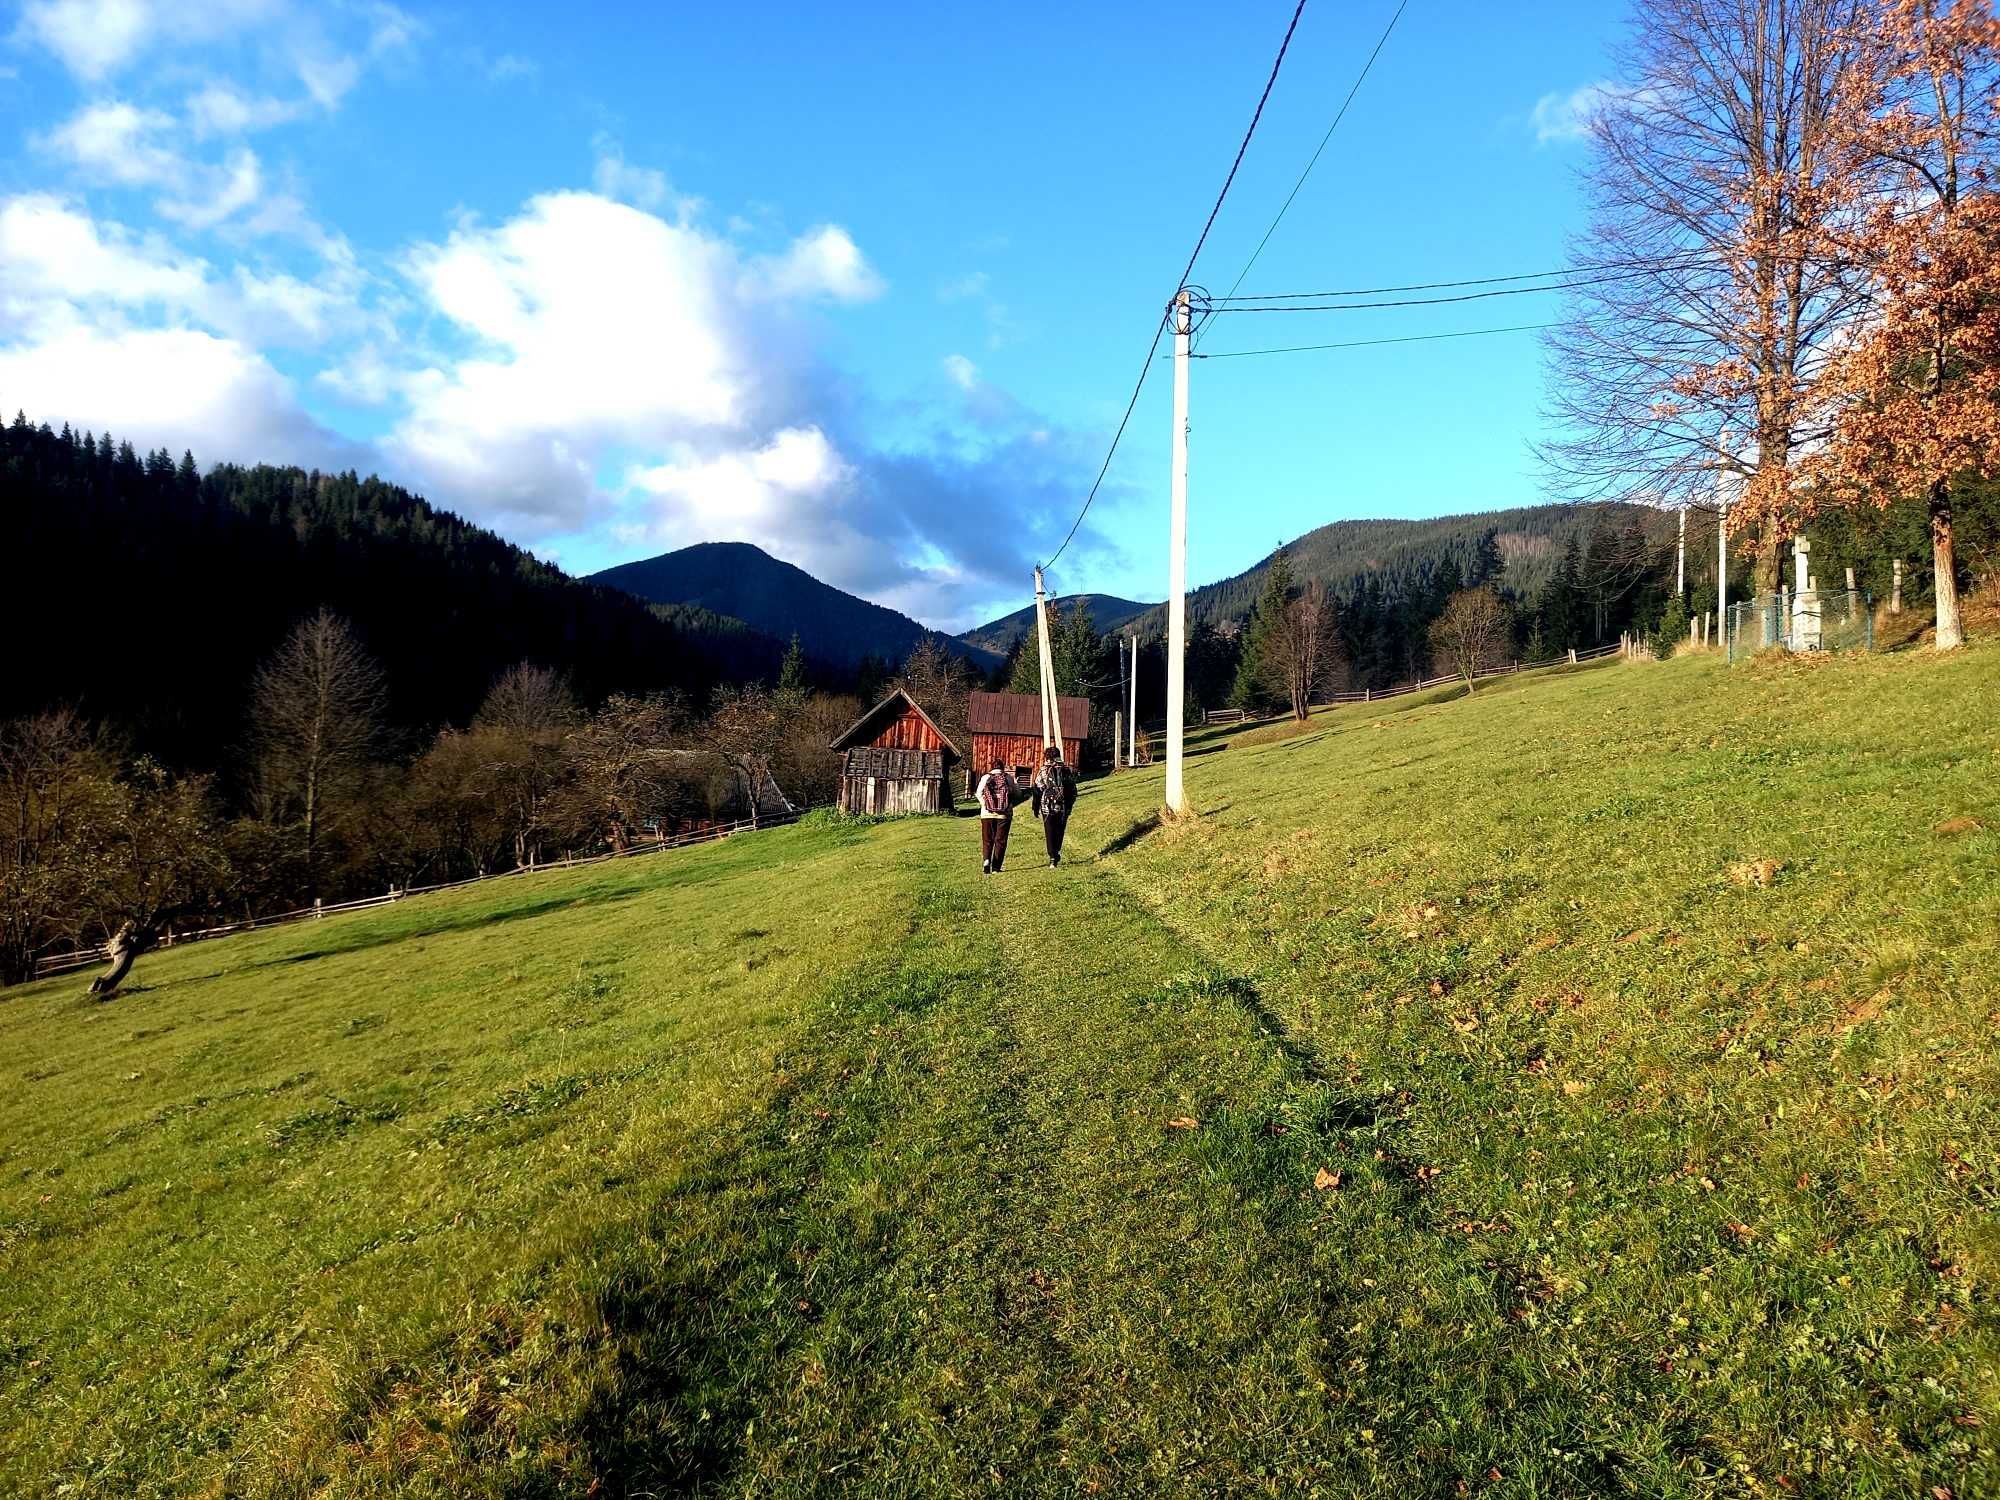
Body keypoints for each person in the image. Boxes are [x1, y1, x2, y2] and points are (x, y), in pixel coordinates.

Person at [1034, 745, 1078, 867]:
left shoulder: (1043, 770)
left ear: (1047, 757)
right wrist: (1069, 805)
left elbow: (1038, 786)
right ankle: (1056, 852)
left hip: (1047, 806)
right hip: (1063, 806)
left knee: (1049, 830)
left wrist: (1036, 806)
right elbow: (1072, 789)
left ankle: (1052, 857)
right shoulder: (1066, 769)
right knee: (1060, 830)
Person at [975, 758, 1014, 874]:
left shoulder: (986, 777)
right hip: (1004, 814)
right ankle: (996, 868)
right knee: (1000, 841)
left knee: (987, 839)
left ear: (992, 767)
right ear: (1002, 767)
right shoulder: (1007, 778)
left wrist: (986, 804)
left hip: (987, 814)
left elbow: (978, 793)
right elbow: (1017, 793)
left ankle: (986, 860)